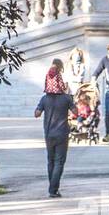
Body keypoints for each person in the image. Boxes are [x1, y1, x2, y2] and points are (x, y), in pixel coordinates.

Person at [35, 61, 77, 197]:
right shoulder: (66, 98)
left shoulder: (44, 99)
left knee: (51, 161)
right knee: (59, 161)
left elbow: (36, 114)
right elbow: (76, 112)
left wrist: (43, 108)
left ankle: (52, 188)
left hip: (48, 134)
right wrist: (70, 97)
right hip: (62, 133)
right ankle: (53, 189)